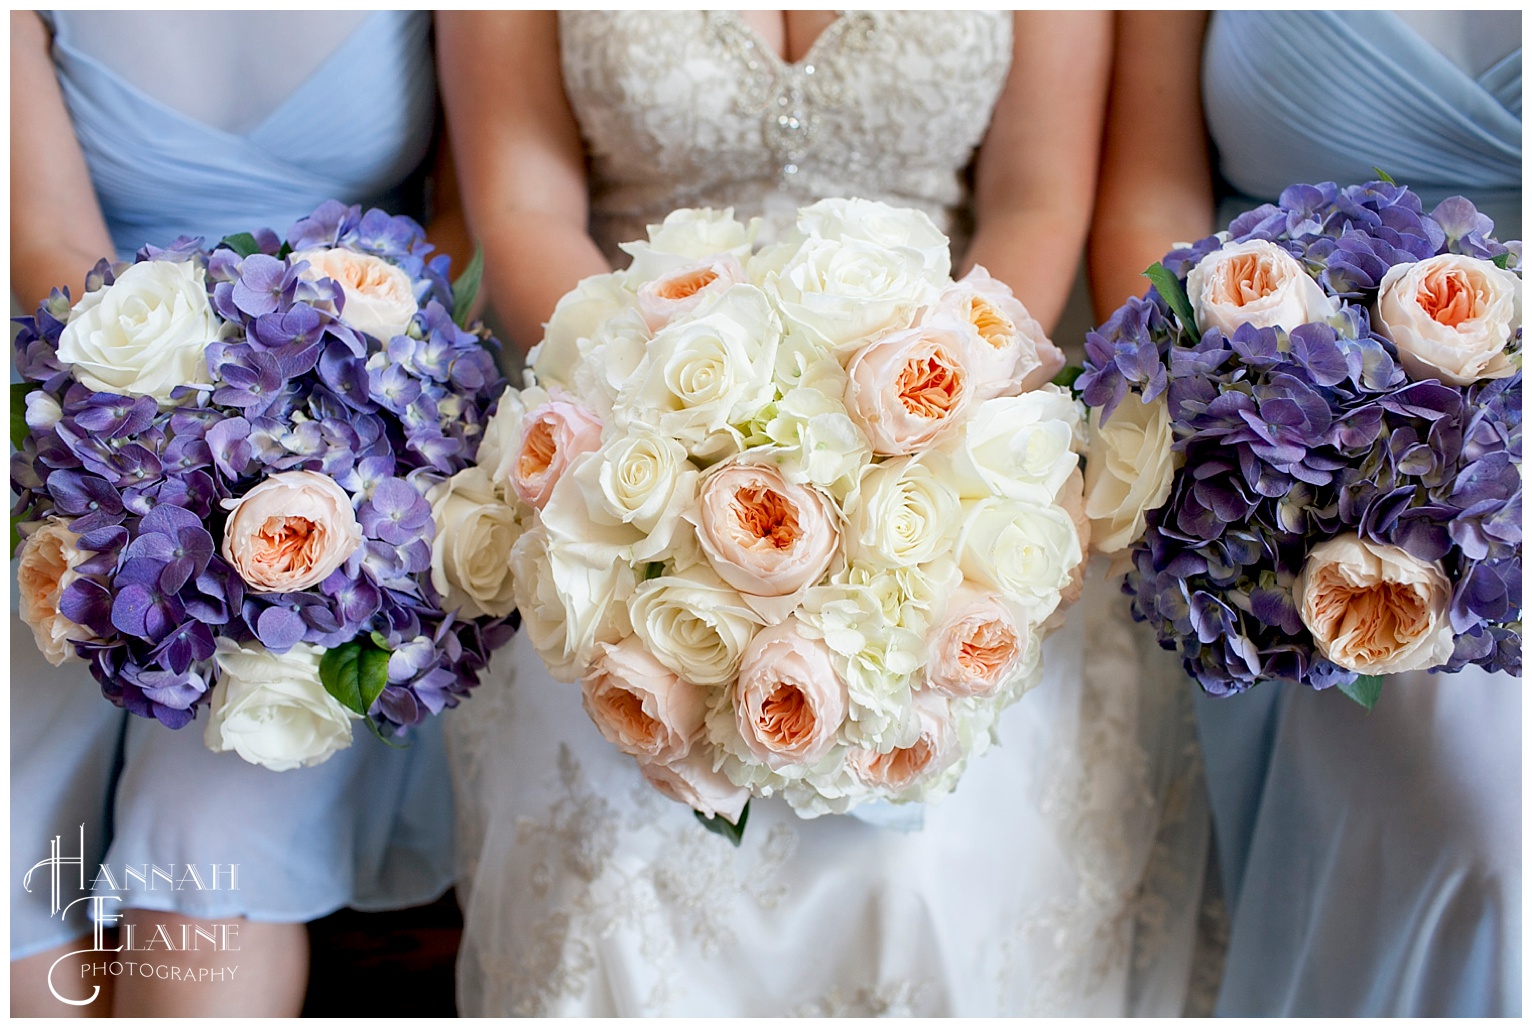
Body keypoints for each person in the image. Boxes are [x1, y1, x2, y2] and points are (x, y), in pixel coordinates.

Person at [437, 11, 1209, 1016]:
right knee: (616, 878)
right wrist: (654, 436)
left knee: (925, 872)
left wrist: (926, 417)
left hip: (940, 419)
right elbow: (522, 202)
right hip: (622, 418)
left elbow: (1036, 199)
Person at [10, 11, 465, 1016]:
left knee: (206, 852)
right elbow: (48, 239)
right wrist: (173, 454)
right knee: (20, 846)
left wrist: (349, 422)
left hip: (362, 437)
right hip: (89, 410)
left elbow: (468, 216)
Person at [1088, 10, 1522, 1017]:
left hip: (1484, 468)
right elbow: (1150, 193)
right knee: (1483, 828)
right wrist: (1198, 424)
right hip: (1289, 462)